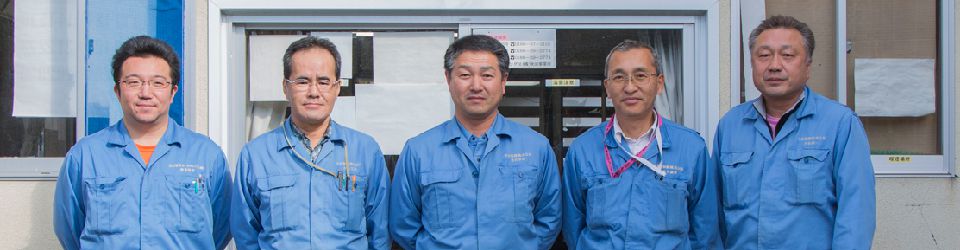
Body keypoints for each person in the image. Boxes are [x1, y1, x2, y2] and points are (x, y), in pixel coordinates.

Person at [53, 36, 232, 249]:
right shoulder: (85, 155)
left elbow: (222, 226)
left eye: (158, 83)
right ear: (118, 91)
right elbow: (70, 230)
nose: (146, 93)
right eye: (133, 82)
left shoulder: (206, 155)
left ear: (173, 91)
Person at [714, 15, 876, 249]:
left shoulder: (839, 123)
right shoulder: (731, 125)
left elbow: (856, 215)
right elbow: (714, 215)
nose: (774, 65)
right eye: (764, 55)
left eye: (788, 55)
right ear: (752, 63)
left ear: (808, 65)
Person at [388, 35, 561, 249]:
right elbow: (404, 226)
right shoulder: (419, 151)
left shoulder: (536, 148)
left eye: (487, 75)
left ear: (503, 81)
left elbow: (549, 221)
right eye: (465, 75)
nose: (476, 85)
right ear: (448, 79)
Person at [230, 36, 390, 250]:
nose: (314, 92)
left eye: (323, 82)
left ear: (337, 88)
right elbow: (245, 234)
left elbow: (379, 233)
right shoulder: (256, 155)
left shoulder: (365, 151)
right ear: (285, 87)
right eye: (303, 81)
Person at [560, 40, 721, 249]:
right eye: (619, 77)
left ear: (659, 83)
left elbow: (705, 232)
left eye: (641, 75)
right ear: (607, 87)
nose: (630, 87)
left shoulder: (691, 149)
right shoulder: (583, 150)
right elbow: (573, 229)